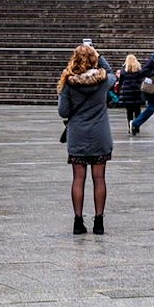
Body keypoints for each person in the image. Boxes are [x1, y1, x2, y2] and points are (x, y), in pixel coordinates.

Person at [56, 44, 113, 235]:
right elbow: (112, 73)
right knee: (99, 178)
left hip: (78, 134)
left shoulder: (69, 82)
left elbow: (63, 111)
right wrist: (99, 55)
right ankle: (99, 222)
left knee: (78, 178)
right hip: (100, 134)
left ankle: (78, 221)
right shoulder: (103, 80)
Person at [115, 54, 145, 131]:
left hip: (127, 93)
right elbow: (142, 80)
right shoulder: (139, 70)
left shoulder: (123, 71)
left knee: (129, 111)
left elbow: (120, 82)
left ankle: (130, 126)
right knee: (137, 110)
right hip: (137, 92)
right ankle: (137, 126)